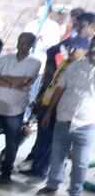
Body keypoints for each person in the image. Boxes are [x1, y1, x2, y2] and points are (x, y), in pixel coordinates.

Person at [20, 37, 90, 182]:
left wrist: (51, 108)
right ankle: (37, 169)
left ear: (84, 51)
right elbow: (53, 84)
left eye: (75, 49)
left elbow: (63, 91)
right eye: (70, 48)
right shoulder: (65, 63)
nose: (71, 51)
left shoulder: (79, 70)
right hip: (47, 103)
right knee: (42, 140)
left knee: (49, 144)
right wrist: (42, 99)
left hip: (58, 108)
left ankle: (41, 172)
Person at [36, 38, 95, 196]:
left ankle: (75, 193)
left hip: (87, 123)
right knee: (57, 155)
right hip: (63, 118)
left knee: (81, 162)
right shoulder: (74, 66)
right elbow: (59, 89)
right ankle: (51, 186)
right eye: (93, 45)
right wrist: (49, 112)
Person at [0, 32, 41, 184]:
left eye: (26, 43)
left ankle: (6, 172)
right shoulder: (5, 58)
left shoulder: (35, 63)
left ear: (32, 45)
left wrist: (3, 79)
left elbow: (23, 82)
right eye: (20, 41)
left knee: (11, 142)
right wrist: (12, 83)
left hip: (14, 109)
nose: (21, 45)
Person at [41, 12, 95, 94]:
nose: (78, 29)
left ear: (93, 27)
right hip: (60, 80)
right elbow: (51, 51)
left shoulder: (87, 45)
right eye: (78, 26)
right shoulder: (73, 41)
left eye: (82, 26)